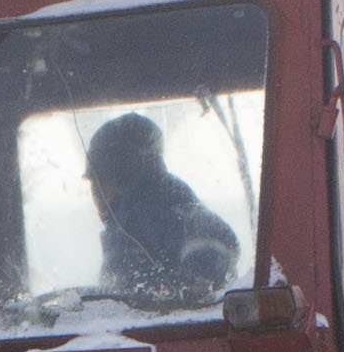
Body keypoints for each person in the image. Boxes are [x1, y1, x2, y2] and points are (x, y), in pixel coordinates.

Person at [85, 112, 241, 306]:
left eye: (98, 178)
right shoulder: (130, 227)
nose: (95, 193)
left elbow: (203, 305)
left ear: (125, 172)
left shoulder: (180, 223)